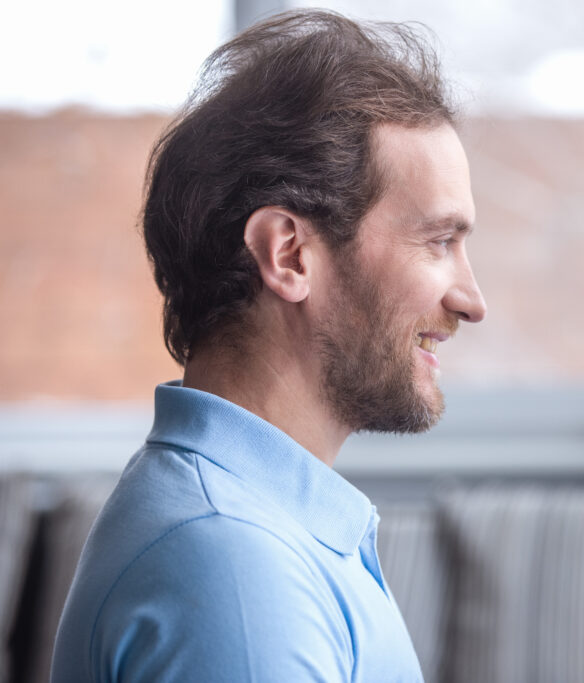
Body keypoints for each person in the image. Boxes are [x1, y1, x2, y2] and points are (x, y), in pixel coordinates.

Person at [51, 9, 485, 682]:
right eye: (438, 241)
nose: (470, 299)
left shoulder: (253, 530)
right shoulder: (233, 568)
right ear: (288, 253)